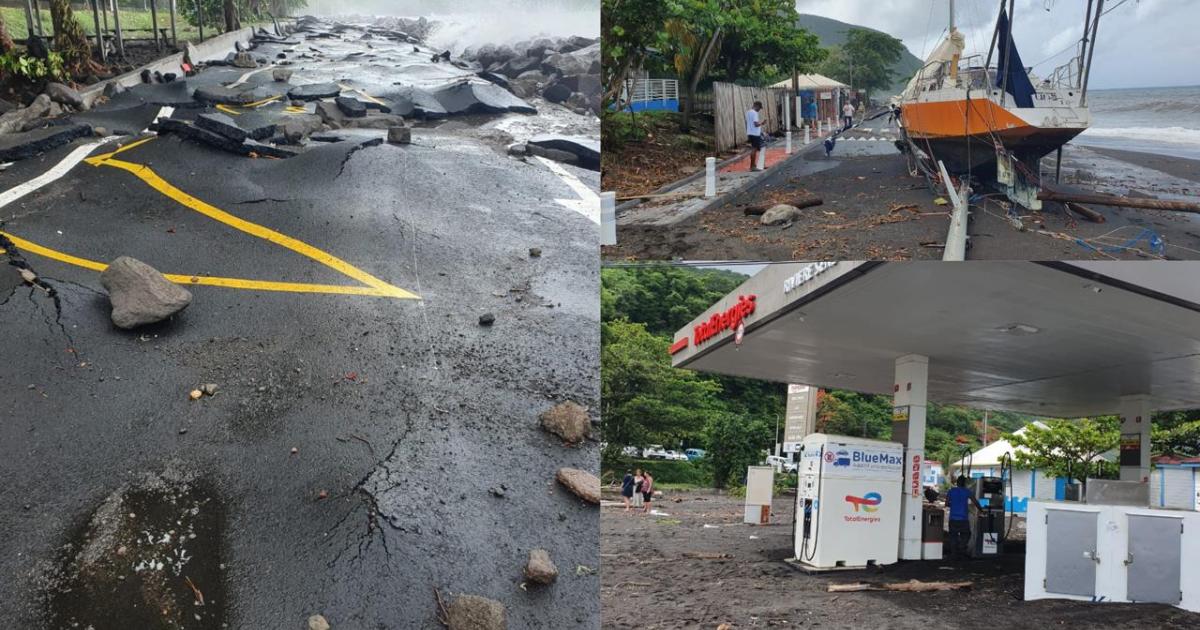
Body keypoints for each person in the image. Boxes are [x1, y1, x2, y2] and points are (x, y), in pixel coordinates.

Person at [947, 476, 982, 557]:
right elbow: (975, 502)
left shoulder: (951, 491)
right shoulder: (967, 491)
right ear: (964, 483)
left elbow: (946, 504)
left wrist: (954, 505)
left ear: (957, 482)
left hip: (953, 519)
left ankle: (954, 555)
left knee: (953, 536)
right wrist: (981, 510)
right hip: (963, 519)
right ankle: (962, 547)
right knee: (966, 534)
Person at [745, 101, 764, 171]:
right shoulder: (755, 113)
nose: (759, 110)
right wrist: (762, 123)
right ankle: (752, 167)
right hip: (755, 134)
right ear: (757, 106)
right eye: (759, 108)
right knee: (754, 149)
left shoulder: (748, 112)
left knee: (754, 149)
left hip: (750, 133)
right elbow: (756, 124)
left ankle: (753, 165)